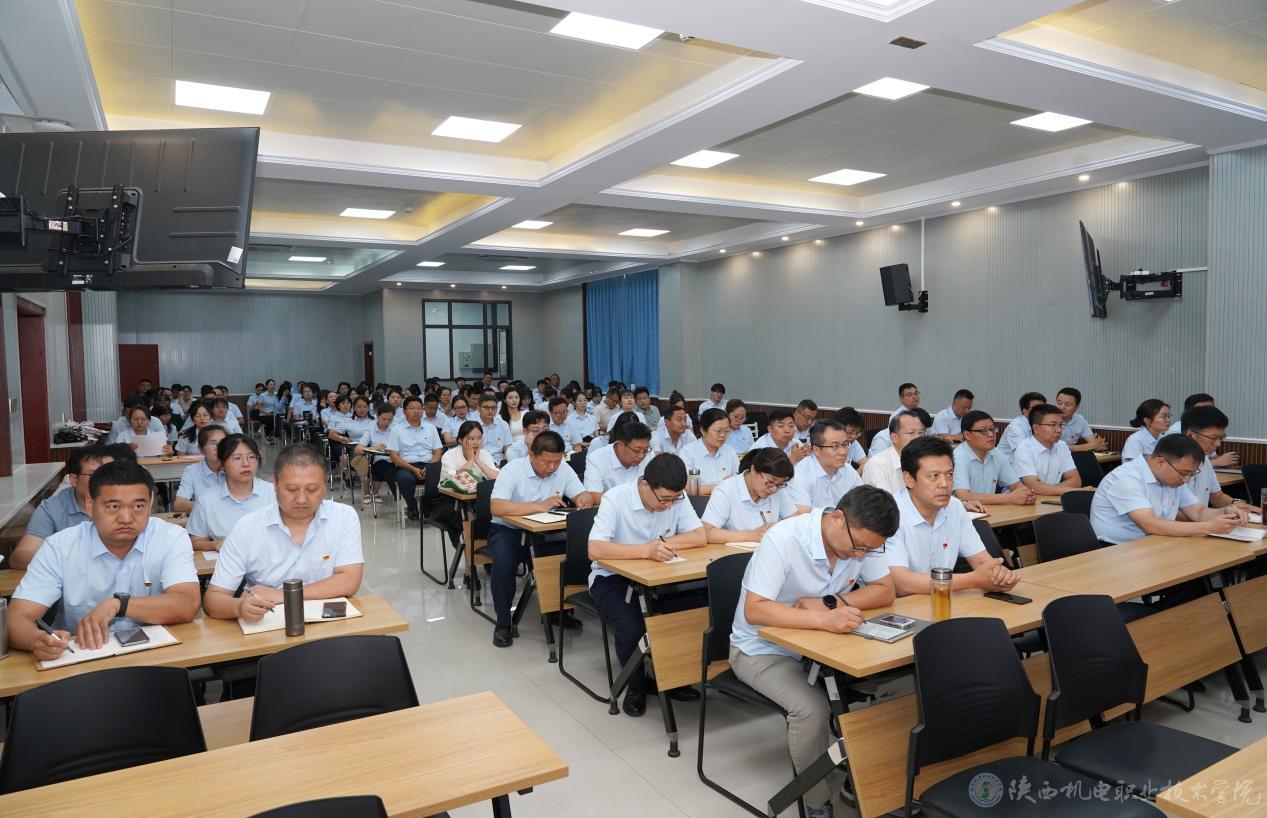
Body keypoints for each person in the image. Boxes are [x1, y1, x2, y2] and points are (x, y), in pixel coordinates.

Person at [729, 486, 900, 818]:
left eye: (870, 550)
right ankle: (817, 802)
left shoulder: (862, 539)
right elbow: (755, 610)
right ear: (837, 518)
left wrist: (830, 603)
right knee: (811, 709)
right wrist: (823, 620)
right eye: (858, 546)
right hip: (762, 650)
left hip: (824, 649)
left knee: (902, 684)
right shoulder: (784, 539)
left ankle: (870, 779)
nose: (861, 556)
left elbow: (885, 590)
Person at [7, 460, 200, 659]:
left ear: (150, 504)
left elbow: (187, 604)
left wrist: (119, 605)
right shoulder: (60, 547)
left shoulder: (170, 538)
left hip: (157, 656)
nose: (126, 518)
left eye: (138, 506)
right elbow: (16, 618)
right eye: (113, 506)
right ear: (90, 505)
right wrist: (37, 640)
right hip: (83, 658)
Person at [588, 453, 707, 716]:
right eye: (664, 499)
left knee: (694, 611)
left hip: (660, 577)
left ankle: (674, 678)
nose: (669, 505)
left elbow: (699, 535)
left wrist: (663, 545)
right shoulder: (616, 498)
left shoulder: (676, 497)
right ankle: (637, 686)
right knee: (632, 627)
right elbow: (595, 549)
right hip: (612, 579)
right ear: (644, 485)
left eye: (674, 499)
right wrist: (645, 550)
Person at [204, 444, 364, 622]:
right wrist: (239, 607)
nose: (301, 499)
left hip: (330, 624)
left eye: (312, 489)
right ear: (275, 484)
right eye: (292, 489)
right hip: (267, 624)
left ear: (325, 484)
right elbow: (213, 600)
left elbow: (349, 580)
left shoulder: (343, 517)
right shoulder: (248, 528)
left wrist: (282, 595)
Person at [488, 431, 596, 646]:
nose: (552, 467)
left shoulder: (563, 468)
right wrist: (539, 506)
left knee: (569, 558)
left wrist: (584, 499)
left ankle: (557, 611)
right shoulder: (513, 469)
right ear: (531, 455)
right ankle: (503, 622)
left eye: (557, 462)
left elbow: (582, 494)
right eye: (547, 462)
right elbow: (497, 507)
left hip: (547, 531)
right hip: (509, 531)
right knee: (504, 564)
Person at [886, 437, 1019, 596]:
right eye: (934, 476)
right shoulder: (889, 514)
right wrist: (972, 580)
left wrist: (998, 575)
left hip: (943, 598)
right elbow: (902, 583)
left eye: (949, 474)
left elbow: (981, 561)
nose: (944, 483)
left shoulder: (954, 507)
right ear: (909, 479)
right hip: (901, 604)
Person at [1090, 434, 1244, 545]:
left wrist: (1226, 512)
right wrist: (1209, 527)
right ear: (1161, 463)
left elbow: (1198, 512)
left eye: (1191, 474)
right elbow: (1150, 525)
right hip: (1116, 550)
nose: (1187, 480)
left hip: (1156, 543)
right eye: (1184, 473)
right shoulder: (1126, 478)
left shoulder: (1174, 478)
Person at [10, 445, 115, 569]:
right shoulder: (52, 509)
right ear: (73, 479)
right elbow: (20, 557)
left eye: (111, 473)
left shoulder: (130, 505)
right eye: (95, 475)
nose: (106, 480)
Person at [187, 435, 275, 552]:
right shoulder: (207, 500)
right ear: (222, 462)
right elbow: (196, 540)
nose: (246, 464)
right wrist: (215, 545)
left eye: (251, 457)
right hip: (227, 560)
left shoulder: (274, 493)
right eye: (237, 458)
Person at [703, 448, 798, 543]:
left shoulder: (778, 489)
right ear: (753, 469)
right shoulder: (726, 490)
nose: (774, 489)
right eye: (770, 482)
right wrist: (750, 535)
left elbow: (797, 523)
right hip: (733, 551)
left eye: (780, 484)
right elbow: (707, 532)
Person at [1182, 406, 1262, 513]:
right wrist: (1218, 514)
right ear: (1191, 435)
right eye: (1213, 438)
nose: (1218, 444)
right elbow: (1174, 512)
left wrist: (1236, 503)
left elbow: (1217, 497)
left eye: (1221, 438)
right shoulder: (1172, 464)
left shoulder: (1204, 460)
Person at [952, 410, 1036, 506]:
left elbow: (1017, 486)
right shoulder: (958, 457)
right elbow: (963, 496)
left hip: (990, 511)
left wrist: (1027, 494)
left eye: (992, 429)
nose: (991, 434)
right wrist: (1010, 497)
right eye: (983, 431)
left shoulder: (997, 454)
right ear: (967, 435)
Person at [1013, 404, 1089, 497]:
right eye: (1053, 425)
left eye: (1060, 425)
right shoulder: (1024, 449)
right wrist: (1076, 490)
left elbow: (1076, 481)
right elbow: (1034, 487)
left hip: (1050, 498)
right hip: (1026, 500)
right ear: (1036, 428)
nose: (1059, 430)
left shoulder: (1061, 446)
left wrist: (1048, 490)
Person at [788, 419, 862, 514]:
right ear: (816, 450)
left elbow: (865, 501)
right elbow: (803, 515)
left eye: (845, 444)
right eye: (835, 446)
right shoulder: (800, 474)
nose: (843, 452)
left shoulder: (848, 469)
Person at [388, 396, 443, 521]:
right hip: (406, 466)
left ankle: (428, 508)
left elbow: (438, 451)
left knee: (439, 477)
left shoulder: (431, 428)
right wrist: (413, 469)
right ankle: (412, 507)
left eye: (419, 408)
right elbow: (394, 456)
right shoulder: (396, 430)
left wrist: (430, 466)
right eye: (412, 408)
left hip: (429, 464)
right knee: (405, 479)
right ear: (404, 411)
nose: (416, 411)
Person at [863, 409, 930, 495]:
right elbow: (886, 502)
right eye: (911, 433)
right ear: (894, 437)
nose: (918, 438)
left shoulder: (925, 462)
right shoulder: (877, 465)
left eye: (921, 433)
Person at [583, 419, 651, 498]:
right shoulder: (597, 459)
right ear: (620, 446)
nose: (641, 455)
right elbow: (593, 495)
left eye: (645, 450)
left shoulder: (649, 455)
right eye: (636, 451)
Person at [679, 408, 739, 495]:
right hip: (700, 501)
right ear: (703, 430)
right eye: (718, 431)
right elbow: (692, 489)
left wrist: (708, 487)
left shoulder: (729, 450)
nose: (723, 435)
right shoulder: (689, 453)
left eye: (726, 431)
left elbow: (739, 478)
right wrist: (724, 485)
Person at [173, 425, 228, 513]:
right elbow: (179, 504)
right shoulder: (192, 471)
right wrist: (213, 507)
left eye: (223, 442)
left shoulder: (234, 468)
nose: (219, 447)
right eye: (213, 443)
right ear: (201, 449)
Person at [355, 403, 397, 505]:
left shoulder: (396, 428)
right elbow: (358, 449)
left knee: (391, 468)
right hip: (378, 461)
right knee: (385, 467)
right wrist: (373, 448)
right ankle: (398, 497)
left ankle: (376, 492)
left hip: (395, 459)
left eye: (390, 420)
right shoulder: (371, 429)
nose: (387, 422)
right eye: (384, 419)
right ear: (377, 416)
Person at [996, 391, 1047, 462]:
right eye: (1036, 408)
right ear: (1025, 412)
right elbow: (1023, 453)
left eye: (1043, 408)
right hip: (1005, 464)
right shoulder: (1016, 427)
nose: (1042, 412)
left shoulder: (1041, 424)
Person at [1054, 387, 1108, 452]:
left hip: (1071, 455)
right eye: (1059, 403)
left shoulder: (1080, 420)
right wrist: (1087, 447)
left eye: (1067, 404)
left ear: (1076, 407)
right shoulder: (1049, 420)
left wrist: (1098, 446)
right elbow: (1054, 446)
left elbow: (1092, 441)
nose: (1062, 407)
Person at [476, 394, 513, 462]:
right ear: (478, 408)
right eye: (486, 407)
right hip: (478, 460)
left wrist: (503, 463)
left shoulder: (503, 424)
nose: (490, 410)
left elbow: (508, 448)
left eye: (493, 408)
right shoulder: (472, 425)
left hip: (499, 460)